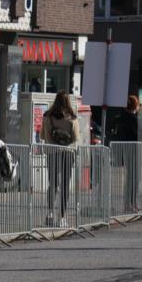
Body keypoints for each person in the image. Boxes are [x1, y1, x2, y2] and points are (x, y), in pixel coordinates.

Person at [41, 91, 80, 227]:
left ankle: (50, 213)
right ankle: (62, 217)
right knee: (65, 185)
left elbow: (42, 136)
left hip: (52, 153)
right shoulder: (72, 118)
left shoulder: (47, 117)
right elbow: (75, 138)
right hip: (67, 154)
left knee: (53, 184)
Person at [115, 95, 141, 213]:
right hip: (134, 150)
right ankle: (130, 203)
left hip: (126, 150)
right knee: (134, 178)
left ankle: (130, 203)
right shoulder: (132, 118)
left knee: (131, 178)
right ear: (135, 106)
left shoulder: (122, 117)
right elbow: (140, 134)